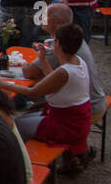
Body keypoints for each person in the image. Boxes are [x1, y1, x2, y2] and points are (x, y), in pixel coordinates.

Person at [8, 23, 92, 168]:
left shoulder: (65, 71)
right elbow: (53, 80)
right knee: (23, 118)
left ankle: (23, 165)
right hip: (76, 121)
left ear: (58, 44)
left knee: (17, 125)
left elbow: (32, 92)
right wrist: (43, 59)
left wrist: (2, 84)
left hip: (66, 126)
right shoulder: (78, 62)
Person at [23, 2, 106, 121]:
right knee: (30, 114)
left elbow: (30, 74)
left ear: (59, 22)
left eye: (46, 15)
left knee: (21, 122)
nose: (41, 18)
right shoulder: (74, 39)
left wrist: (23, 64)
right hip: (96, 100)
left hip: (85, 108)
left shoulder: (61, 44)